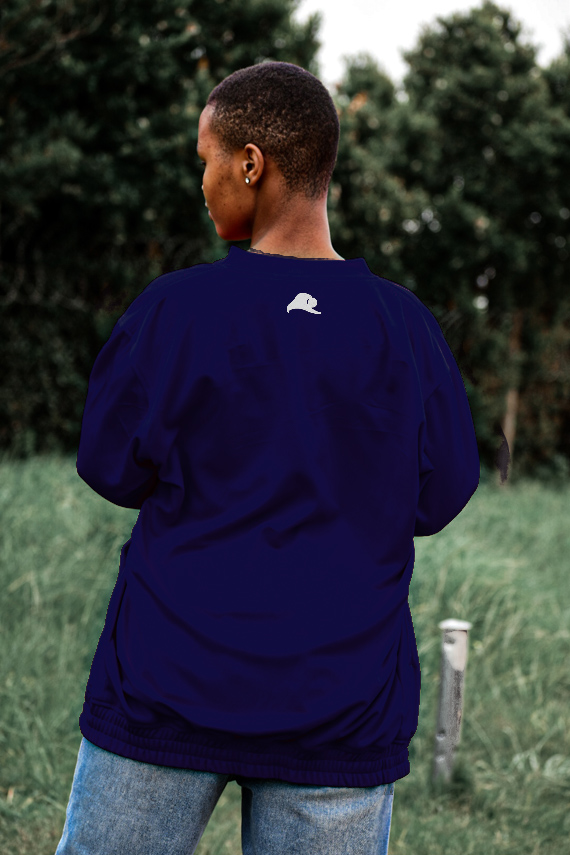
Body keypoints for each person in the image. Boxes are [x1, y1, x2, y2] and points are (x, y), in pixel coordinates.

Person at [55, 62, 480, 855]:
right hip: (340, 707)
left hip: (165, 686)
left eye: (206, 160)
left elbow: (110, 467)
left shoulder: (173, 311)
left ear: (251, 164)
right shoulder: (406, 330)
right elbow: (440, 494)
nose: (203, 183)